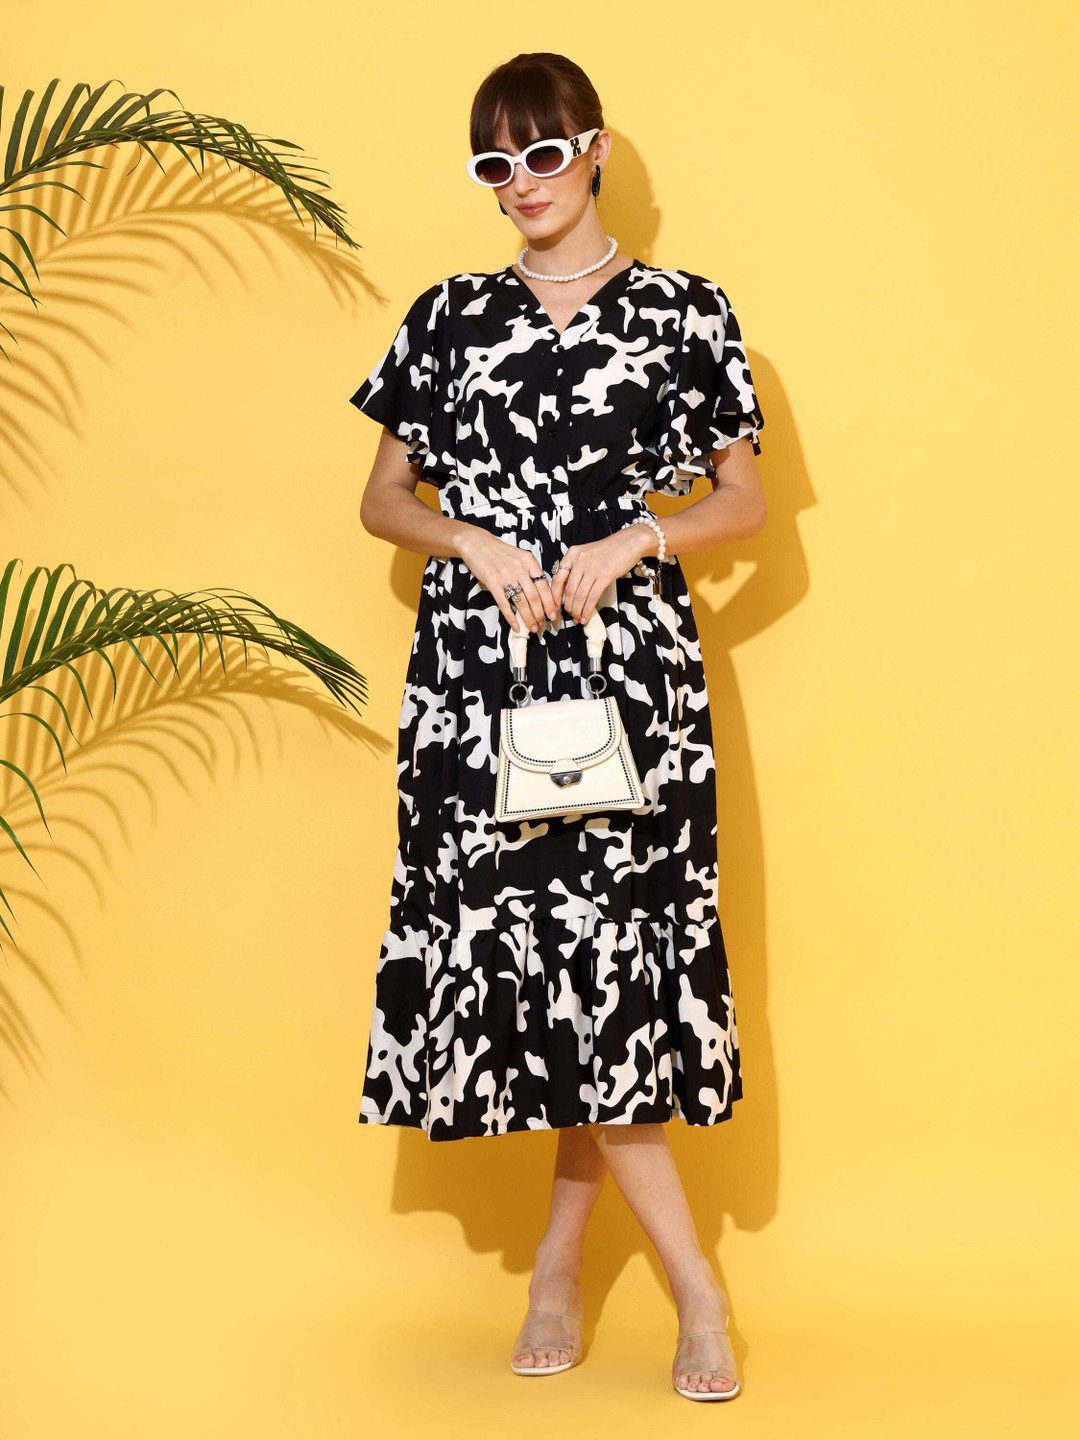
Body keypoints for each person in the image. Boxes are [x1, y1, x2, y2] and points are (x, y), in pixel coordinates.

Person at [348, 51, 767, 1402]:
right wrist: (469, 538)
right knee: (535, 969)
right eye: (494, 163)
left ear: (596, 149)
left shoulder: (688, 312)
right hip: (481, 683)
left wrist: (639, 537)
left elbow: (745, 505)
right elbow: (382, 500)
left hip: (632, 684)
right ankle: (597, 1276)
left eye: (542, 152)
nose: (520, 182)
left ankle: (638, 1286)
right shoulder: (448, 317)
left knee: (616, 972)